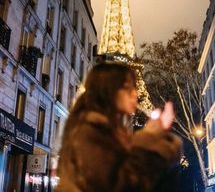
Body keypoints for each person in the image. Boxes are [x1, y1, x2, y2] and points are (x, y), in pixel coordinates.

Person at [56, 62, 182, 192]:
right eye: (127, 87)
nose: (135, 93)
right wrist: (148, 138)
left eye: (135, 87)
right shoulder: (86, 132)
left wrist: (160, 138)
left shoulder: (109, 132)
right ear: (108, 90)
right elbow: (121, 185)